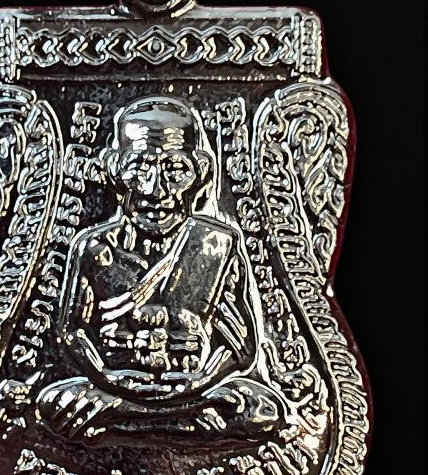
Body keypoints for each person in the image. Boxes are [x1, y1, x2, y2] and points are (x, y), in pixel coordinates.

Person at [37, 95, 283, 445]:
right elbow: (71, 332)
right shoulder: (93, 248)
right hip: (119, 384)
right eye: (139, 168)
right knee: (53, 403)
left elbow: (241, 347)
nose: (156, 191)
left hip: (192, 387)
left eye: (175, 170)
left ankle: (130, 422)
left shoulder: (214, 243)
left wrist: (201, 380)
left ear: (200, 173)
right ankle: (174, 424)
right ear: (115, 170)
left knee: (262, 410)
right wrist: (109, 377)